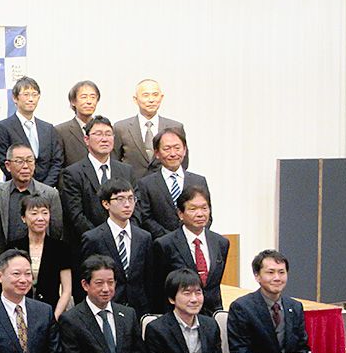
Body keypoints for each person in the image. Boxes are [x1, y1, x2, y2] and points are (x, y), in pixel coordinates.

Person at [148, 185, 229, 315]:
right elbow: (157, 289)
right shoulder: (165, 244)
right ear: (180, 213)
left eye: (204, 208)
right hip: (177, 314)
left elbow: (214, 284)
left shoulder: (221, 243)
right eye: (193, 209)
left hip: (211, 314)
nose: (200, 214)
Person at [80, 179, 152, 315]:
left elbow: (149, 278)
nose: (127, 204)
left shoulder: (144, 237)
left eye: (131, 199)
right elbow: (85, 277)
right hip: (106, 307)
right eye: (120, 199)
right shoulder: (93, 238)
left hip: (139, 309)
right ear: (106, 203)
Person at [59, 115, 135, 243]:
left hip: (124, 240)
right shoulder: (72, 173)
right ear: (86, 139)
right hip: (89, 243)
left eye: (108, 134)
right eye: (98, 134)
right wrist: (101, 239)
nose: (104, 139)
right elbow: (75, 215)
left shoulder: (126, 171)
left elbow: (136, 208)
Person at [135, 126, 208, 239]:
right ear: (157, 153)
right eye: (167, 149)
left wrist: (190, 237)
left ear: (184, 150)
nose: (173, 153)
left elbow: (207, 214)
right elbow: (146, 218)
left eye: (177, 148)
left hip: (193, 243)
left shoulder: (198, 181)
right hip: (160, 244)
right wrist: (171, 240)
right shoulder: (146, 184)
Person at [7, 195, 74, 316]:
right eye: (34, 213)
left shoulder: (61, 248)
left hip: (51, 312)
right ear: (23, 218)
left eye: (45, 213)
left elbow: (66, 290)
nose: (40, 218)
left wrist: (54, 317)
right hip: (20, 314)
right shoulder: (14, 248)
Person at [0, 143, 63, 254]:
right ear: (8, 166)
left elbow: (56, 230)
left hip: (41, 255)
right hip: (7, 256)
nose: (25, 166)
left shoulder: (50, 194)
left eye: (30, 161)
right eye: (19, 161)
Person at [0, 77, 63, 187]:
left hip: (46, 190)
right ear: (15, 98)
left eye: (34, 95)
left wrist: (44, 188)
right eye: (26, 94)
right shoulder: (3, 127)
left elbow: (57, 162)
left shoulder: (48, 129)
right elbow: (5, 162)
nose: (31, 99)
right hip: (18, 189)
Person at [114, 79, 189, 179]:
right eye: (146, 95)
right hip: (131, 185)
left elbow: (183, 161)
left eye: (155, 95)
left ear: (161, 97)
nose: (151, 100)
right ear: (135, 99)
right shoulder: (121, 128)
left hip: (164, 185)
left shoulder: (175, 127)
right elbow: (114, 162)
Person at [55, 80, 101, 166]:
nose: (89, 101)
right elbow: (57, 164)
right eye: (84, 97)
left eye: (93, 97)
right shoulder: (61, 131)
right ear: (73, 101)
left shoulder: (104, 129)